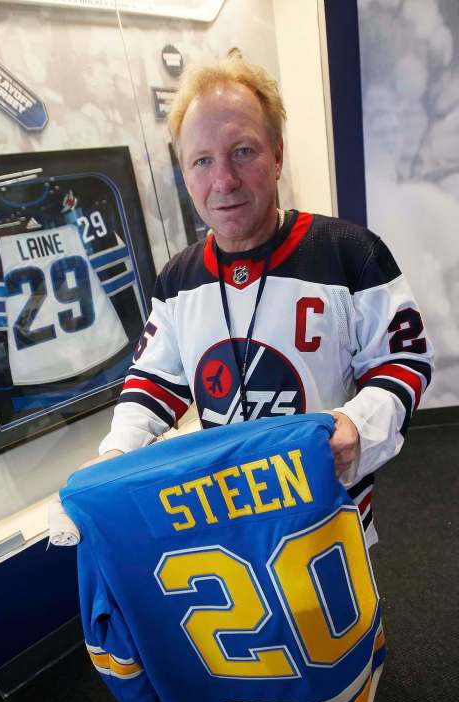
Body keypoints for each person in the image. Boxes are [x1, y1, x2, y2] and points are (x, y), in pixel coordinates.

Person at [69, 55, 434, 548]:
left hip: (331, 519)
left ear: (277, 156)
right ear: (186, 173)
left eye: (243, 151)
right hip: (227, 524)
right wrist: (116, 459)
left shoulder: (350, 254)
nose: (224, 181)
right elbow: (153, 383)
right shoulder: (177, 280)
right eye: (202, 161)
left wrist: (356, 426)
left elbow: (401, 363)